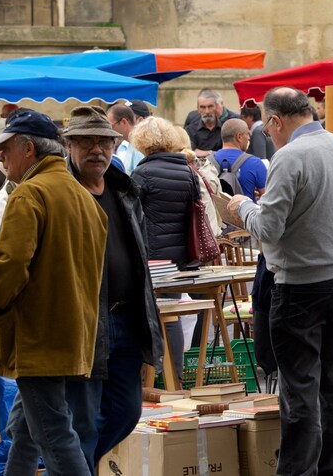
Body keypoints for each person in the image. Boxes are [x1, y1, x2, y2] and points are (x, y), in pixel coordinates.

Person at [229, 87, 333, 475]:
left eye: (269, 128)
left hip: (303, 284)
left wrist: (243, 208)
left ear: (274, 121)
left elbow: (268, 228)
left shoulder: (289, 157)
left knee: (300, 388)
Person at [0, 109, 108, 475]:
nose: (0, 158)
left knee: (54, 436)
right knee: (25, 430)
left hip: (39, 338)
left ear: (29, 149)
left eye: (5, 150)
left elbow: (9, 265)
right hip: (72, 334)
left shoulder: (30, 194)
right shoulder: (82, 197)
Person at [62, 106, 164, 468]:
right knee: (84, 419)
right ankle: (78, 467)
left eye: (104, 142)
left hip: (126, 319)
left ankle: (77, 465)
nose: (97, 150)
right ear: (69, 146)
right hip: (86, 323)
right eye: (86, 142)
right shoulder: (63, 193)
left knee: (126, 411)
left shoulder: (124, 189)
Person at [130, 116, 201, 388]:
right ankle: (176, 380)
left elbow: (132, 215)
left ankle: (145, 380)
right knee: (171, 315)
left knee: (144, 316)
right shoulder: (186, 171)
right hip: (180, 257)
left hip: (149, 257)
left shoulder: (142, 173)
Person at [210, 118, 267, 202]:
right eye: (248, 134)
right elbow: (267, 198)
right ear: (239, 137)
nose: (249, 138)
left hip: (214, 214)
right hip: (244, 213)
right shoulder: (255, 163)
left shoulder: (207, 162)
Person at [186, 89, 229, 158]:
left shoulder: (226, 129)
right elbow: (190, 152)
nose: (207, 111)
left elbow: (229, 151)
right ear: (198, 109)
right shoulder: (190, 130)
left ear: (216, 107)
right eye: (203, 107)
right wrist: (211, 153)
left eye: (210, 106)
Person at [106, 103, 145, 173]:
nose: (110, 131)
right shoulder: (131, 144)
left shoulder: (140, 145)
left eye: (111, 126)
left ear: (123, 122)